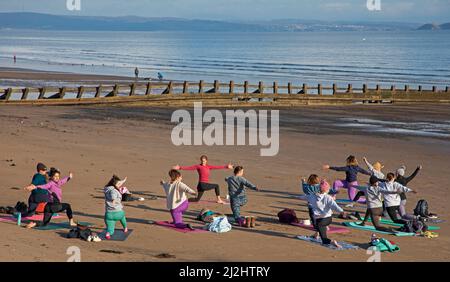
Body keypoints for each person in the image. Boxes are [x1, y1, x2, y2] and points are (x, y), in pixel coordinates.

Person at [306, 180, 346, 248]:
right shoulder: (328, 197)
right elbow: (335, 206)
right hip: (328, 219)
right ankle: (316, 234)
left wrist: (295, 197)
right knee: (319, 224)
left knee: (324, 240)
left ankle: (332, 242)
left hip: (322, 221)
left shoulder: (314, 196)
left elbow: (305, 197)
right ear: (327, 190)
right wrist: (342, 211)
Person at [104, 175, 128, 239]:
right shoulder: (114, 191)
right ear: (115, 184)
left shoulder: (106, 189)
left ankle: (108, 234)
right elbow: (113, 196)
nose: (120, 185)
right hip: (118, 213)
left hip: (109, 214)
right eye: (119, 184)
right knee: (122, 218)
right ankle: (125, 228)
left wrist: (123, 181)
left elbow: (118, 183)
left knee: (110, 228)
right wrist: (114, 200)